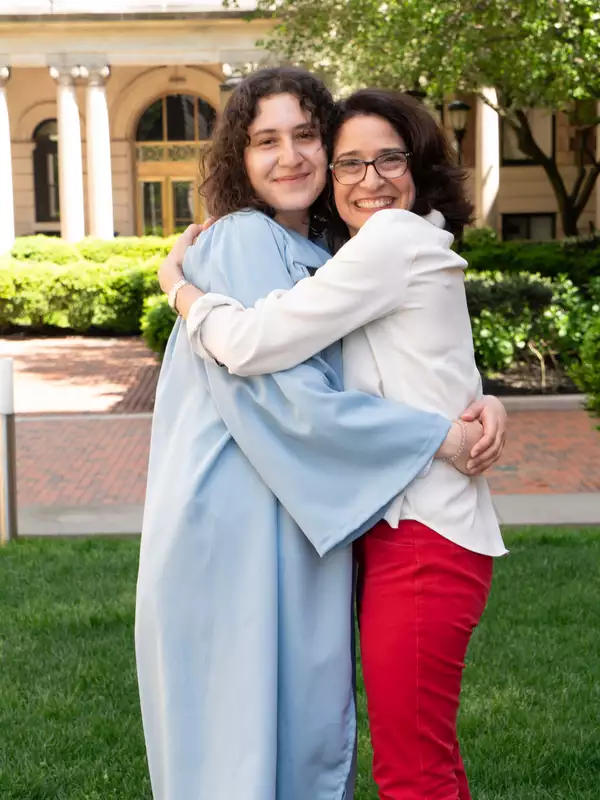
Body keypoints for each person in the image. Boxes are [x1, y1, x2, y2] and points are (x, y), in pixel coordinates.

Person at [158, 86, 508, 800]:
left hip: (417, 531)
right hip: (316, 524)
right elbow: (304, 393)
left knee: (411, 765)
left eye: (386, 159)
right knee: (406, 762)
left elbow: (268, 348)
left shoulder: (373, 241)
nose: (366, 178)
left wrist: (177, 289)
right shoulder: (279, 242)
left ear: (419, 162)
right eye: (350, 161)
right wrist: (445, 424)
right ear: (238, 154)